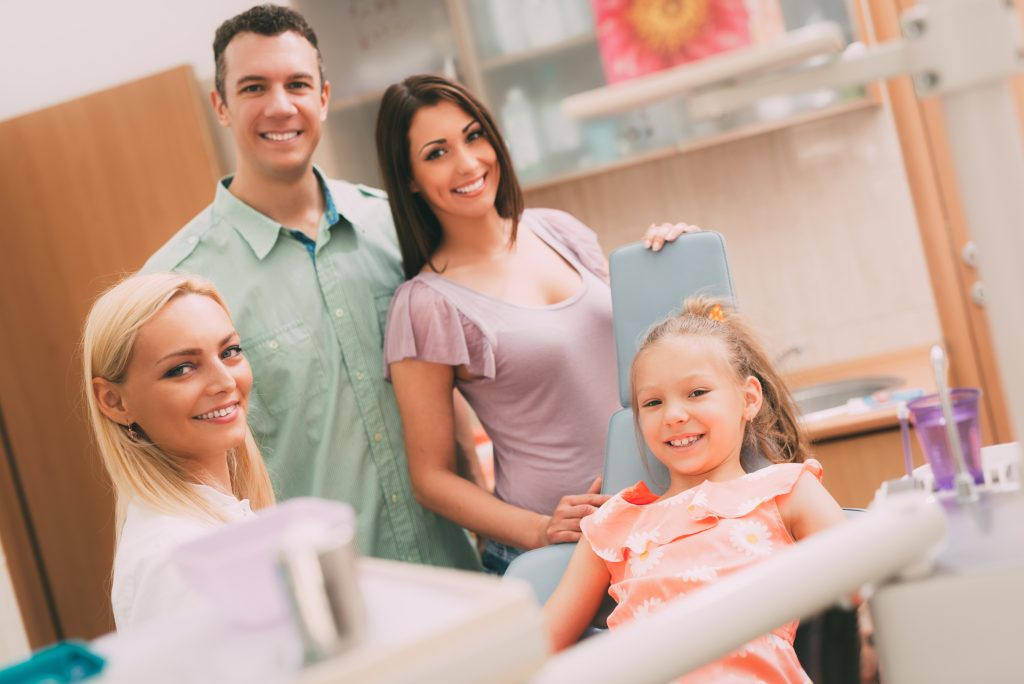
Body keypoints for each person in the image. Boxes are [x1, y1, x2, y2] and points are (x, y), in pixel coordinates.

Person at [143, 5, 479, 570]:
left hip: (457, 575)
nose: (280, 106)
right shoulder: (176, 290)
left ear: (323, 96)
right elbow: (181, 481)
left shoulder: (398, 228)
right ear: (221, 105)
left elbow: (449, 391)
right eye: (254, 87)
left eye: (297, 84)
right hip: (320, 612)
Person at [375, 73, 697, 574]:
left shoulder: (559, 230)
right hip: (560, 553)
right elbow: (431, 477)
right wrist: (539, 529)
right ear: (410, 178)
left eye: (474, 135)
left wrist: (673, 263)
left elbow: (654, 358)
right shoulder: (424, 304)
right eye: (437, 153)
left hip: (659, 519)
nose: (467, 162)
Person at [543, 297, 847, 682]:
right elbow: (539, 646)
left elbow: (865, 587)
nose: (673, 415)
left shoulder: (785, 489)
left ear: (748, 399)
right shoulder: (612, 526)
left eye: (697, 393)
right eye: (652, 402)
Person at [83, 272, 275, 631]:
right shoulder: (175, 558)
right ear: (114, 401)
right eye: (182, 368)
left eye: (229, 352)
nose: (225, 382)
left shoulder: (218, 520)